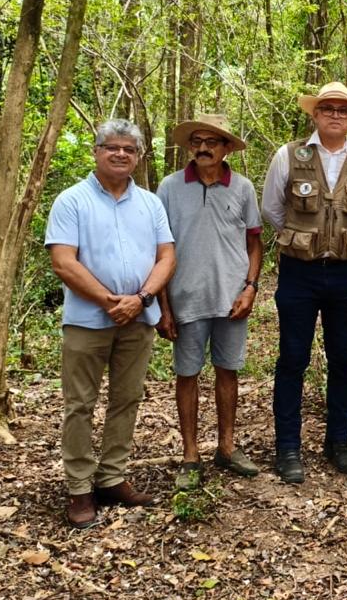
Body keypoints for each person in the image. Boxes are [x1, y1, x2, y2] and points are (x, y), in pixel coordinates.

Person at [45, 120, 175, 528]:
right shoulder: (72, 201)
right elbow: (63, 261)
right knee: (79, 404)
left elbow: (166, 256)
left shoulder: (150, 204)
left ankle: (113, 476)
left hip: (138, 318)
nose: (120, 154)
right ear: (96, 151)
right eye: (111, 147)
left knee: (127, 398)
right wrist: (108, 300)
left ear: (138, 157)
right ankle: (80, 487)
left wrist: (141, 299)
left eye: (129, 149)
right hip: (87, 320)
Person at [262, 82, 347, 482]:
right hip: (300, 273)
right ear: (314, 114)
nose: (335, 114)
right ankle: (288, 447)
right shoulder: (290, 155)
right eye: (327, 108)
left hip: (346, 274)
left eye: (343, 110)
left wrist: (338, 243)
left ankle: (339, 441)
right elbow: (272, 208)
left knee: (344, 361)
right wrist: (306, 239)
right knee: (293, 360)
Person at [156, 114, 264, 491]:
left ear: (226, 148)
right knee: (186, 374)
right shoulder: (169, 188)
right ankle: (190, 454)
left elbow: (254, 242)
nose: (203, 148)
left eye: (212, 142)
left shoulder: (243, 188)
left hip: (231, 298)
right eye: (197, 141)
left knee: (227, 370)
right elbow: (159, 249)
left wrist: (250, 287)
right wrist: (163, 307)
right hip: (185, 298)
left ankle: (227, 447)